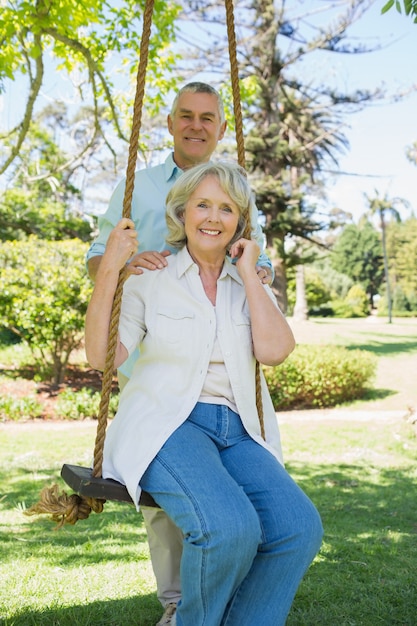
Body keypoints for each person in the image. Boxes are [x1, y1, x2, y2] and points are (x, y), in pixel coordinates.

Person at [85, 161, 323, 626]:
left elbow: (275, 351)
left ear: (240, 221)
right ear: (182, 212)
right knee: (227, 527)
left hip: (238, 431)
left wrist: (251, 273)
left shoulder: (248, 282)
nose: (213, 217)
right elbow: (101, 357)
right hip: (167, 425)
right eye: (202, 205)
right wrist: (111, 268)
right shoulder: (150, 278)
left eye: (227, 208)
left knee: (298, 529)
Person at [86, 82, 273, 625]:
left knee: (220, 489)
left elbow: (249, 255)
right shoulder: (139, 188)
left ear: (220, 127)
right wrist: (124, 264)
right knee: (168, 495)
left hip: (217, 364)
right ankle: (178, 603)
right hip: (153, 354)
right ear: (169, 124)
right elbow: (99, 258)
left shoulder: (236, 190)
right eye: (186, 116)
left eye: (207, 118)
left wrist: (257, 272)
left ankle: (214, 588)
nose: (196, 126)